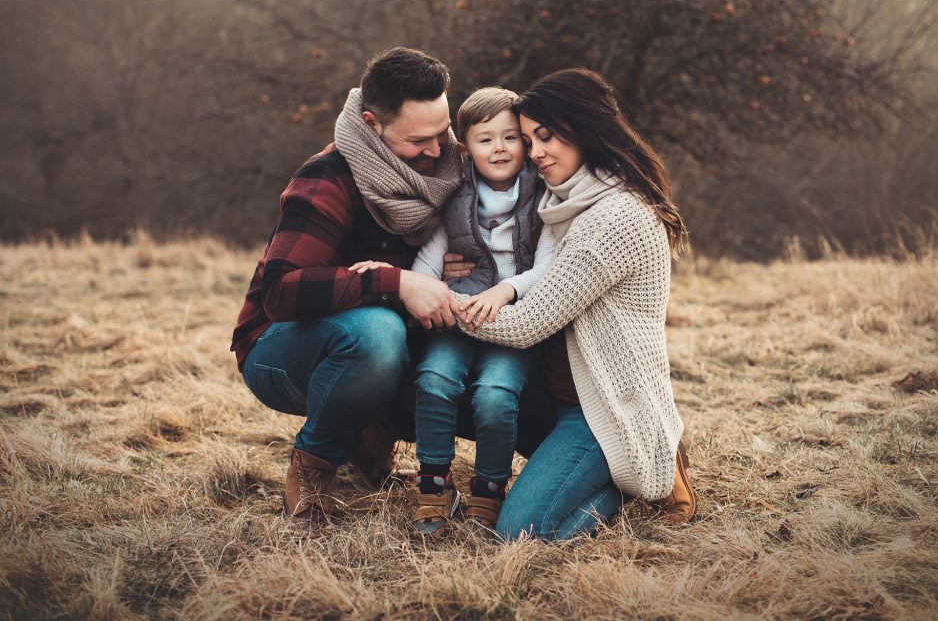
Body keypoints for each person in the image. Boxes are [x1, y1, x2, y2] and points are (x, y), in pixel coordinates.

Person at [230, 47, 477, 524]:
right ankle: (315, 464)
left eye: (442, 132)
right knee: (376, 332)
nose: (437, 150)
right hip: (281, 352)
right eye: (418, 140)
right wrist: (396, 281)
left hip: (397, 350)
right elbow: (281, 292)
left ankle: (372, 436)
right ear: (372, 123)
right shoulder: (327, 178)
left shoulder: (452, 171)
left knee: (454, 365)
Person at [450, 68, 698, 540]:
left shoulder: (613, 218)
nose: (534, 152)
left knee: (521, 532)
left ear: (584, 129)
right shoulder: (566, 200)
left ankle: (640, 467)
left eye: (546, 137)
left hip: (604, 409)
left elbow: (525, 324)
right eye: (529, 140)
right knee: (452, 386)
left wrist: (438, 299)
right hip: (556, 393)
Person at [402, 87, 556, 535]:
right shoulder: (455, 198)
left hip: (516, 322)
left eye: (510, 137)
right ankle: (434, 484)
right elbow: (429, 260)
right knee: (434, 380)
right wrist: (429, 293)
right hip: (460, 316)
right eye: (486, 139)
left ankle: (488, 488)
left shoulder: (543, 195)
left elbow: (550, 266)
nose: (499, 148)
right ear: (465, 148)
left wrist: (506, 291)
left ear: (525, 143)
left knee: (495, 394)